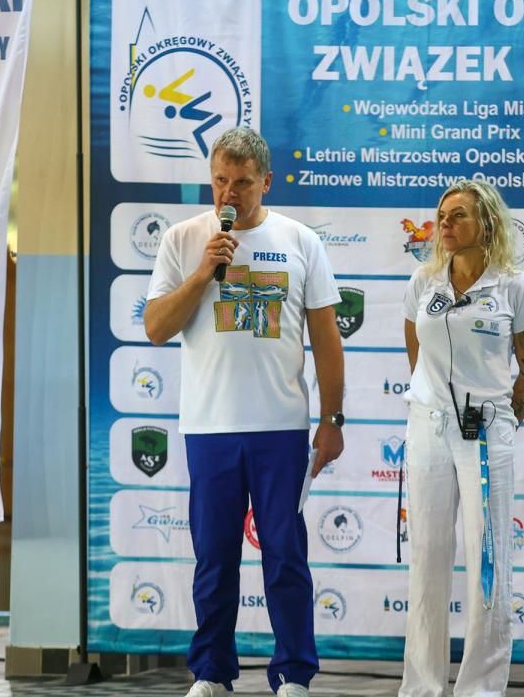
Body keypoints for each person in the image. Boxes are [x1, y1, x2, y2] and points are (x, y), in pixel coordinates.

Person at [144, 127, 345, 697]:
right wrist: (203, 272)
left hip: (280, 428)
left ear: (266, 182)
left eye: (242, 183)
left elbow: (327, 339)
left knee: (285, 555)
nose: (228, 194)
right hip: (209, 428)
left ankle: (294, 675)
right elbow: (156, 328)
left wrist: (332, 420)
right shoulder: (184, 239)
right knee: (213, 558)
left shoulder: (301, 240)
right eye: (219, 181)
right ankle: (211, 672)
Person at [398, 180, 524, 697]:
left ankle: (480, 689)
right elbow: (416, 351)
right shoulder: (423, 281)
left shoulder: (515, 287)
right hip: (429, 427)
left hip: (486, 432)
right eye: (442, 215)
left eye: (458, 215)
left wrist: (502, 423)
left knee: (488, 560)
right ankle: (422, 687)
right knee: (427, 559)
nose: (445, 223)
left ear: (487, 223)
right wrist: (433, 403)